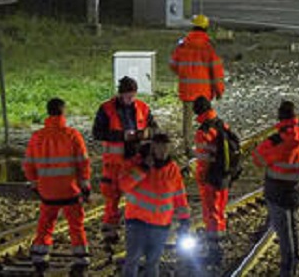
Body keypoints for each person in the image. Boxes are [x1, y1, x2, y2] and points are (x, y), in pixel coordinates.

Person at [23, 98, 91, 276]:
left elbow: (28, 165)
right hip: (70, 190)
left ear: (48, 112)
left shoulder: (37, 137)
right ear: (63, 112)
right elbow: (83, 163)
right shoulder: (72, 135)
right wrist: (85, 185)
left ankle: (39, 258)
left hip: (47, 191)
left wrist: (35, 183)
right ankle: (80, 260)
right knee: (76, 225)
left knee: (45, 224)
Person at [93, 76, 158, 245]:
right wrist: (122, 136)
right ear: (120, 94)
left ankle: (137, 232)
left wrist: (146, 134)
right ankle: (110, 234)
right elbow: (97, 133)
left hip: (134, 161)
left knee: (138, 199)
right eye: (128, 96)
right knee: (112, 199)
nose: (131, 99)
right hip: (114, 164)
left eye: (133, 96)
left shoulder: (143, 108)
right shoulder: (106, 109)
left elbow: (155, 129)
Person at [253, 101, 299, 277]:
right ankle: (296, 262)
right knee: (293, 227)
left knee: (284, 232)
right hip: (297, 190)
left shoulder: (275, 142)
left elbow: (258, 159)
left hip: (277, 192)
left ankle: (288, 269)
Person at [119, 134, 191, 277]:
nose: (163, 152)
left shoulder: (172, 169)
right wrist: (143, 169)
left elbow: (179, 196)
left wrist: (184, 219)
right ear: (153, 147)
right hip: (137, 222)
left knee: (152, 263)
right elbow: (124, 185)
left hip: (160, 226)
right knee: (132, 261)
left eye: (166, 148)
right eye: (160, 147)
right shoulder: (137, 163)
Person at [192, 96, 237, 272]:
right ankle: (219, 248)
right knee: (219, 212)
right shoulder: (221, 124)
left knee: (211, 215)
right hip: (224, 176)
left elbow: (203, 161)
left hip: (211, 178)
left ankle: (214, 252)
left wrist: (201, 178)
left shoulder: (204, 132)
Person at [171, 14, 226, 155]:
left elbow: (173, 65)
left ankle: (188, 148)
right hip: (204, 92)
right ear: (206, 28)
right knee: (207, 120)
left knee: (187, 121)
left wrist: (184, 74)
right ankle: (207, 145)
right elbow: (216, 70)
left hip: (187, 90)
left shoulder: (183, 44)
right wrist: (219, 90)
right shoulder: (209, 46)